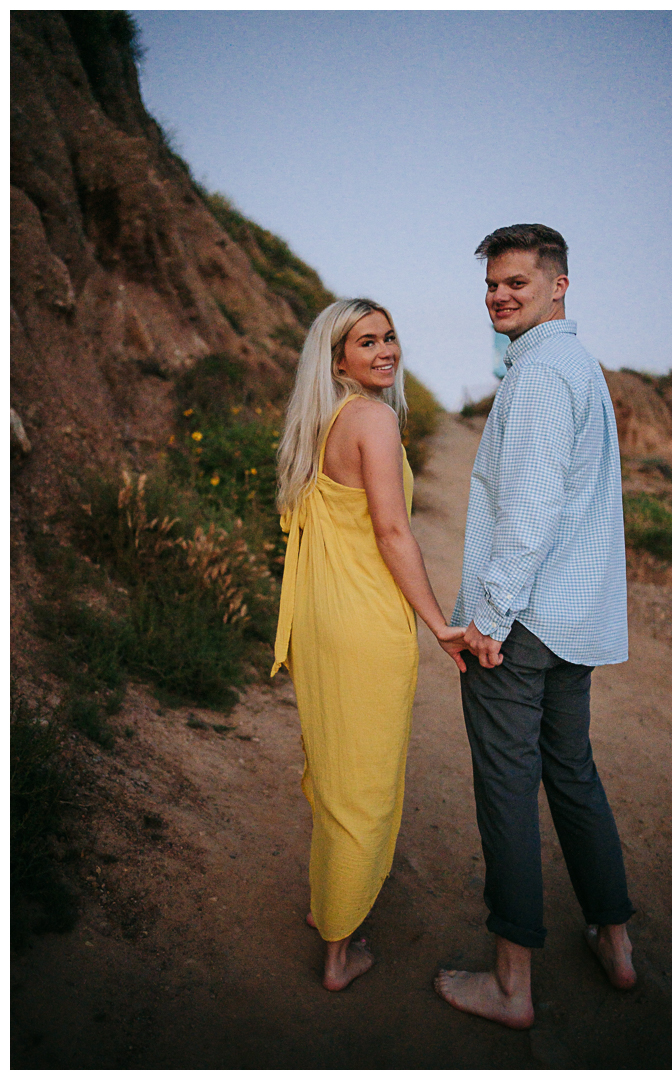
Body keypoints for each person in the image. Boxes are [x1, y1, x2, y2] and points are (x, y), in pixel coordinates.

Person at [434, 224, 636, 1029]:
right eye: (492, 285)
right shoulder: (575, 365)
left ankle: (512, 985)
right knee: (574, 776)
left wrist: (487, 618)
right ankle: (616, 945)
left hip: (521, 627)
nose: (499, 296)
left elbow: (531, 513)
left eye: (516, 282)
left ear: (558, 285)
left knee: (509, 792)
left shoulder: (544, 375)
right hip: (571, 623)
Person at [272, 298, 464, 992]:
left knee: (334, 773)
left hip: (322, 620)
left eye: (389, 336)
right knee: (365, 790)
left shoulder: (320, 422)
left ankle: (329, 905)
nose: (385, 349)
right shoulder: (375, 421)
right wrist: (440, 624)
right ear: (338, 358)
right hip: (363, 624)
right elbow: (391, 534)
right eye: (366, 341)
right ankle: (338, 951)